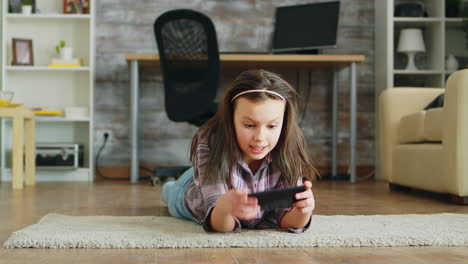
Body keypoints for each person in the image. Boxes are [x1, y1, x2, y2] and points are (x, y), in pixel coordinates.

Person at [162, 69, 318, 233]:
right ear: (231, 119)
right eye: (249, 125)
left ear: (283, 123)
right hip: (194, 186)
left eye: (272, 126)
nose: (260, 137)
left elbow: (288, 222)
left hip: (222, 174)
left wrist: (303, 211)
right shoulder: (211, 142)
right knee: (171, 193)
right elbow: (220, 226)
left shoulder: (288, 145)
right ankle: (169, 187)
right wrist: (224, 207)